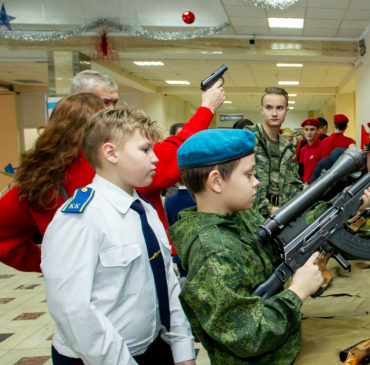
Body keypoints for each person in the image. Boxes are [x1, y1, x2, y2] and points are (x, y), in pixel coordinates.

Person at [167, 128, 370, 365]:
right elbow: (246, 333)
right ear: (216, 182)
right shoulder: (213, 253)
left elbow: (291, 235)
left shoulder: (237, 218)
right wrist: (297, 292)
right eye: (248, 174)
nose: (256, 182)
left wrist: (345, 206)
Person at [42, 106, 201, 365]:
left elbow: (167, 284)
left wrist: (181, 345)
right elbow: (72, 309)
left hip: (151, 350)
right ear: (110, 153)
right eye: (145, 150)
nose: (156, 159)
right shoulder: (81, 218)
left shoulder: (144, 210)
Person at [0, 81, 225, 273]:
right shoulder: (120, 164)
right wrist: (207, 108)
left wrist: (52, 261)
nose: (114, 111)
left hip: (77, 277)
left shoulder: (37, 178)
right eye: (107, 106)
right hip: (138, 274)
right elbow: (177, 150)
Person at [247, 87, 302, 216]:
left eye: (279, 108)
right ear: (261, 110)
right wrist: (270, 210)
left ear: (286, 111)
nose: (274, 113)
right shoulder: (249, 138)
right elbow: (240, 182)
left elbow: (294, 184)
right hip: (252, 216)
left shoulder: (288, 148)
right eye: (269, 107)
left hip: (281, 216)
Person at [296, 118, 324, 183]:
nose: (309, 133)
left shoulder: (323, 148)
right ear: (303, 131)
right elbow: (301, 170)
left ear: (318, 131)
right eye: (306, 129)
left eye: (312, 129)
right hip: (305, 184)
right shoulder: (303, 149)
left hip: (318, 184)